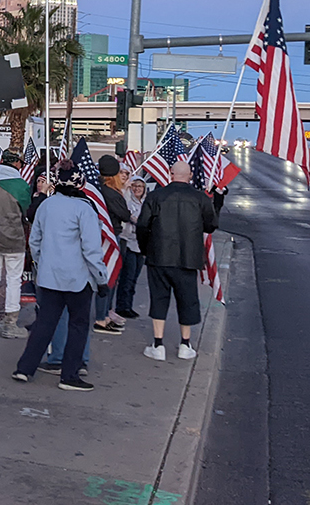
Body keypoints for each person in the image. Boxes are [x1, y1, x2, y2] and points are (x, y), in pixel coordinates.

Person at [11, 159, 108, 391]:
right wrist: (102, 278)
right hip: (78, 278)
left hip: (49, 276)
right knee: (78, 325)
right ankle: (70, 374)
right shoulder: (85, 208)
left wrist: (42, 263)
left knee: (45, 323)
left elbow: (35, 241)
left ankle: (24, 368)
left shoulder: (46, 205)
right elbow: (91, 249)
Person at [135, 160, 218, 361]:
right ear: (189, 175)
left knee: (159, 298)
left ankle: (158, 344)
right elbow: (211, 225)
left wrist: (146, 249)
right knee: (187, 299)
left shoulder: (155, 196)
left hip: (159, 255)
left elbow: (142, 225)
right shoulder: (200, 198)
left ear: (170, 174)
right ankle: (185, 343)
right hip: (188, 257)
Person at [0, 152, 28, 339]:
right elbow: (27, 211)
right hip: (14, 236)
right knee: (13, 280)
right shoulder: (21, 185)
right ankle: (10, 322)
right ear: (16, 163)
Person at [92, 155, 131, 335]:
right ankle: (102, 317)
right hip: (111, 235)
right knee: (108, 277)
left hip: (100, 236)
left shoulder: (97, 190)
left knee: (108, 276)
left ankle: (105, 314)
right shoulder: (112, 193)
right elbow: (124, 214)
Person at [114, 176, 148, 319]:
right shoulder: (128, 201)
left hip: (141, 244)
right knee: (127, 277)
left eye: (140, 186)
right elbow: (130, 217)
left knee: (134, 277)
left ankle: (129, 305)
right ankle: (122, 306)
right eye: (134, 186)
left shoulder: (146, 203)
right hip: (128, 242)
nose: (137, 189)